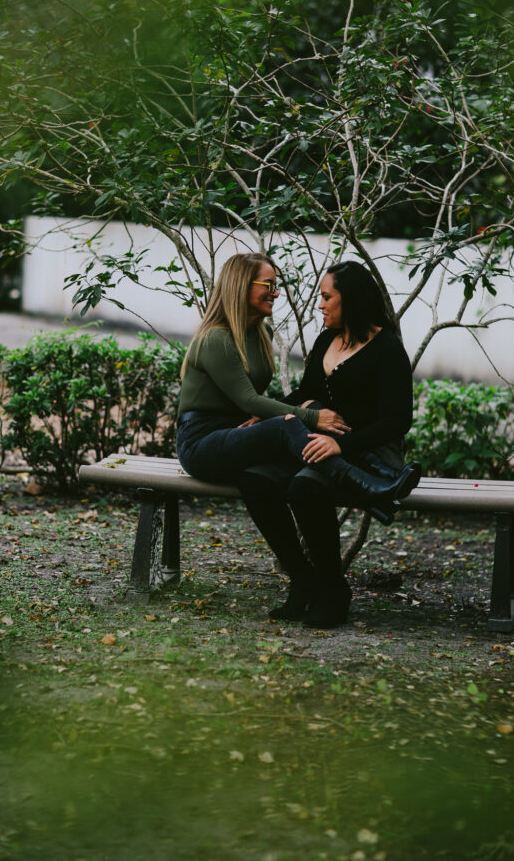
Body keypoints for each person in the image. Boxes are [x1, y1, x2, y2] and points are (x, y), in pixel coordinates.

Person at [176, 253, 421, 628]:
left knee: (306, 486)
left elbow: (398, 420)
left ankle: (333, 590)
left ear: (350, 300)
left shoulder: (387, 348)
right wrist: (272, 416)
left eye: (326, 297)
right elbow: (305, 394)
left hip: (362, 450)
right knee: (255, 478)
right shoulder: (325, 341)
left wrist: (341, 444)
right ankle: (304, 582)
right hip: (318, 446)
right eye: (320, 296)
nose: (318, 304)